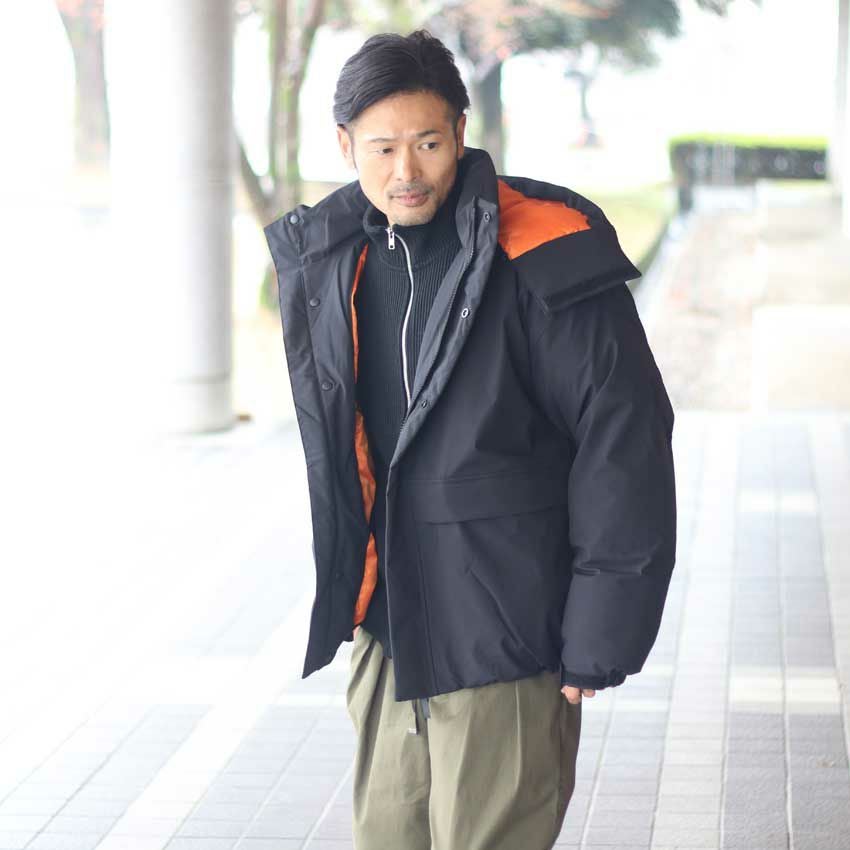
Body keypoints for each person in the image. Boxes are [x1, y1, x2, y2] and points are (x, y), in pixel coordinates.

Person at [264, 29, 677, 850]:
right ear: (345, 145)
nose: (406, 171)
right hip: (390, 636)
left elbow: (623, 435)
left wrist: (602, 628)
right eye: (382, 148)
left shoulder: (542, 246)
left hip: (507, 637)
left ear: (460, 131)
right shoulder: (333, 257)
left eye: (426, 142)